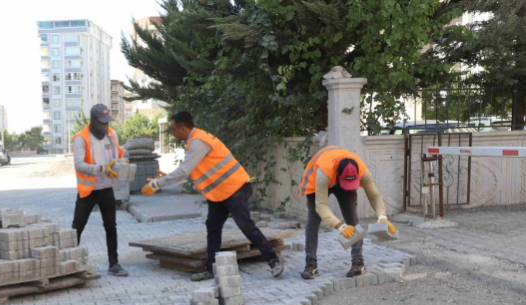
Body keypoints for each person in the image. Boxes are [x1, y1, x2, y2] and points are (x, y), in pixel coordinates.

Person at [142, 111, 284, 281]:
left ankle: (273, 260)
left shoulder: (198, 142)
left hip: (235, 187)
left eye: (173, 129)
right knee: (213, 227)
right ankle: (211, 268)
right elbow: (195, 169)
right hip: (220, 192)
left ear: (183, 128)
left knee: (245, 225)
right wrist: (165, 177)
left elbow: (184, 171)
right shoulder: (196, 140)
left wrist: (157, 184)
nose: (172, 133)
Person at [298, 145, 396, 279]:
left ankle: (358, 261)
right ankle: (310, 264)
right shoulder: (324, 171)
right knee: (313, 222)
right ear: (338, 176)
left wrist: (382, 217)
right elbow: (320, 205)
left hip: (339, 174)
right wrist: (339, 226)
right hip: (317, 181)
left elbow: (374, 196)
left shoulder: (362, 170)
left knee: (352, 220)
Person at [71, 103, 129, 277]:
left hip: (106, 188)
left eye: (107, 122)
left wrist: (122, 165)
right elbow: (79, 164)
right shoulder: (81, 138)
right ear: (93, 121)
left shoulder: (112, 134)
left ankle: (114, 263)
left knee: (111, 226)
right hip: (88, 190)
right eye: (102, 122)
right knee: (77, 227)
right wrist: (100, 169)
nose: (105, 126)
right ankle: (71, 263)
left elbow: (119, 154)